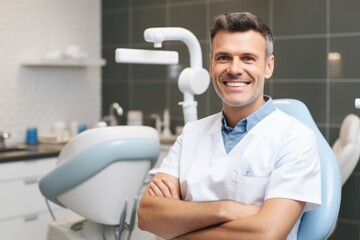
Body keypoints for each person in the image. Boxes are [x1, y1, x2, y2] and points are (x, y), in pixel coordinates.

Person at [138, 12, 321, 240]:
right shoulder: (191, 133)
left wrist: (180, 226)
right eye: (224, 57)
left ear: (268, 66)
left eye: (248, 58)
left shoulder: (295, 138)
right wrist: (227, 209)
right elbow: (147, 216)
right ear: (211, 62)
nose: (234, 69)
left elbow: (266, 234)